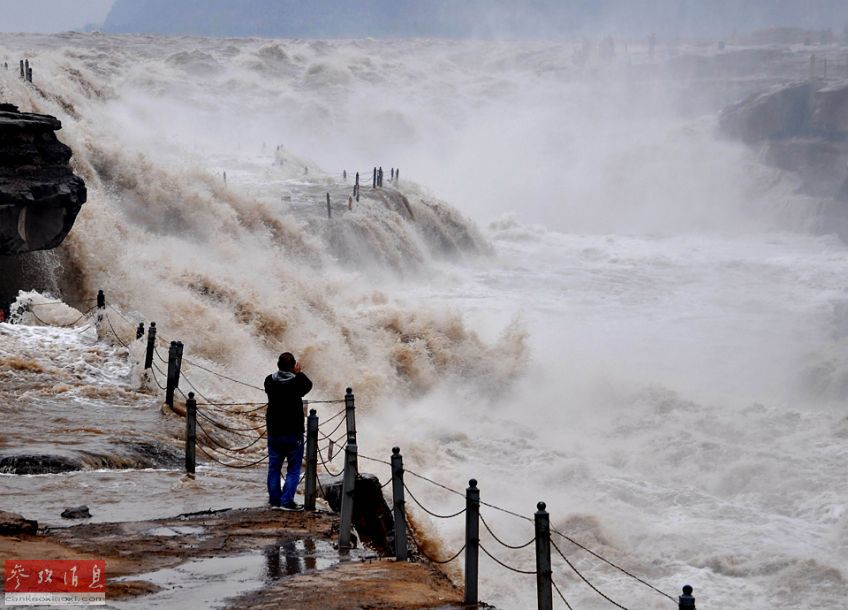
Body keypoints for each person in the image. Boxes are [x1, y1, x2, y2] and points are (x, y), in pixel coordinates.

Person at [264, 352, 312, 510]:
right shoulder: (297, 383)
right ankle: (286, 501)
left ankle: (274, 501)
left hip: (275, 431)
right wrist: (298, 373)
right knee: (293, 469)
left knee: (274, 468)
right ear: (293, 367)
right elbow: (308, 385)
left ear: (278, 365)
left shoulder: (269, 381)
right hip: (293, 432)